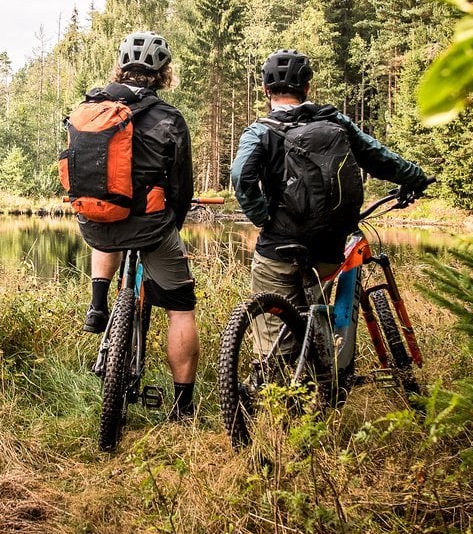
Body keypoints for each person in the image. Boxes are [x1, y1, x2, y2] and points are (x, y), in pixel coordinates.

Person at [230, 49, 430, 356]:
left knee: (272, 334)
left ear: (266, 90)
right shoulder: (336, 122)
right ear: (307, 87)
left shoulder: (260, 131)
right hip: (328, 247)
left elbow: (241, 175)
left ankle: (275, 382)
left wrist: (262, 217)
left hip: (279, 246)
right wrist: (415, 177)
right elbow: (378, 157)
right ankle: (324, 371)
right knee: (316, 312)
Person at [73, 31, 198, 421]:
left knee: (104, 214)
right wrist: (172, 225)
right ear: (163, 74)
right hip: (151, 226)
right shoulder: (169, 118)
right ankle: (182, 408)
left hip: (95, 225)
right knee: (181, 309)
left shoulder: (90, 107)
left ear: (120, 67)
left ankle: (98, 305)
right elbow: (181, 187)